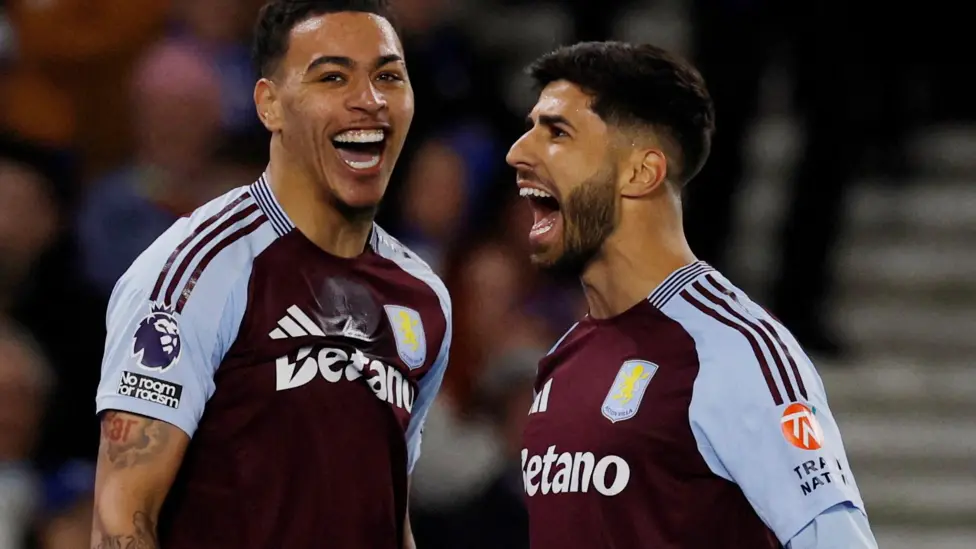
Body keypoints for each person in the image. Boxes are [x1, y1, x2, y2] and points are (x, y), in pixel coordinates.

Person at [90, 2, 452, 548]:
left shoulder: (423, 295)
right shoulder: (198, 268)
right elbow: (122, 517)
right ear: (270, 105)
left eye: (387, 77)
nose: (370, 100)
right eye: (333, 77)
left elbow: (387, 505)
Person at [507, 41, 877, 549]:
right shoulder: (562, 361)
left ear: (641, 172)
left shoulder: (734, 349)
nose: (517, 152)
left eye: (557, 132)